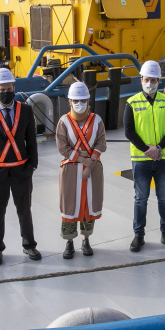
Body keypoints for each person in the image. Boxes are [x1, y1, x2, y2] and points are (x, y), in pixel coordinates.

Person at [0, 68, 40, 266]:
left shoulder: (26, 110)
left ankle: (29, 244)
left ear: (14, 87)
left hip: (22, 171)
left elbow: (31, 141)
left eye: (9, 88)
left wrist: (33, 166)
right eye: (1, 89)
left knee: (24, 210)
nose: (6, 92)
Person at [124, 60, 165, 252]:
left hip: (163, 160)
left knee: (164, 198)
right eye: (147, 79)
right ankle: (139, 236)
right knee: (141, 198)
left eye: (154, 80)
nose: (150, 83)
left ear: (159, 81)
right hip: (141, 161)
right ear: (141, 80)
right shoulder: (132, 103)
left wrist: (159, 148)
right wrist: (148, 150)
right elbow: (129, 131)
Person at [56, 82, 107, 259]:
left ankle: (86, 239)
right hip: (71, 169)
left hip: (93, 169)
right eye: (76, 100)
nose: (79, 103)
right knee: (69, 205)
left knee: (89, 204)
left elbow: (101, 142)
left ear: (88, 100)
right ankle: (69, 242)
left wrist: (90, 163)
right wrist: (82, 160)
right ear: (70, 101)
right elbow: (62, 147)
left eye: (83, 100)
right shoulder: (63, 122)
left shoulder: (97, 120)